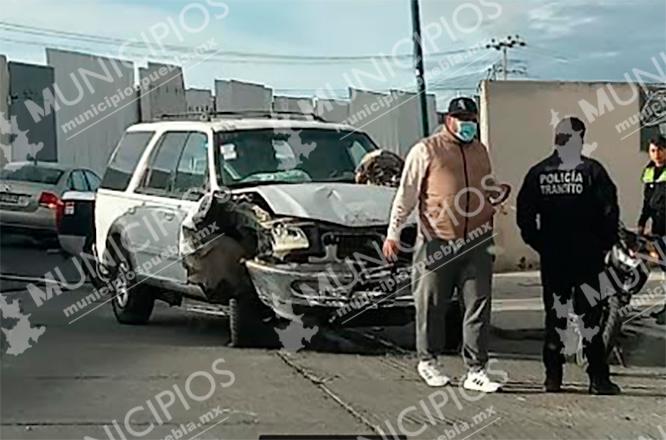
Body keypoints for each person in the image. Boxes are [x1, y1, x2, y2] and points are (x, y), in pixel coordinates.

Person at [383, 97, 504, 392]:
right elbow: (407, 194)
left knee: (478, 303)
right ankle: (428, 360)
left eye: (471, 118)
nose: (468, 123)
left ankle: (476, 370)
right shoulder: (426, 150)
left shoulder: (480, 150)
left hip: (477, 239)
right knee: (431, 304)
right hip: (437, 240)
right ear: (448, 119)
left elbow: (486, 185)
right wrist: (393, 233)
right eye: (461, 117)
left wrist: (495, 198)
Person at [516, 116, 621, 395]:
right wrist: (603, 245)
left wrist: (541, 244)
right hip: (588, 259)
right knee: (591, 320)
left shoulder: (538, 172)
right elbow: (610, 211)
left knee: (555, 317)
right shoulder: (592, 171)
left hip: (554, 259)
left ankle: (553, 378)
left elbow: (525, 215)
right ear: (580, 138)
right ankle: (598, 379)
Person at [638, 136, 666, 324]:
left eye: (660, 150)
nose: (656, 154)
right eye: (653, 150)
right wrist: (642, 222)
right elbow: (648, 202)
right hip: (658, 228)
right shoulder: (649, 171)